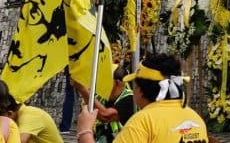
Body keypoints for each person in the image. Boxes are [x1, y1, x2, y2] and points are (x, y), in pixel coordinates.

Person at [76, 53, 208, 143]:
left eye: (135, 84)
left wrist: (85, 132)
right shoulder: (195, 118)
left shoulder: (143, 121)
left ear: (140, 89)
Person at [73, 65, 135, 143]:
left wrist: (82, 89)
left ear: (117, 83)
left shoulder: (130, 99)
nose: (101, 83)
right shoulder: (99, 97)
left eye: (106, 80)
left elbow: (105, 115)